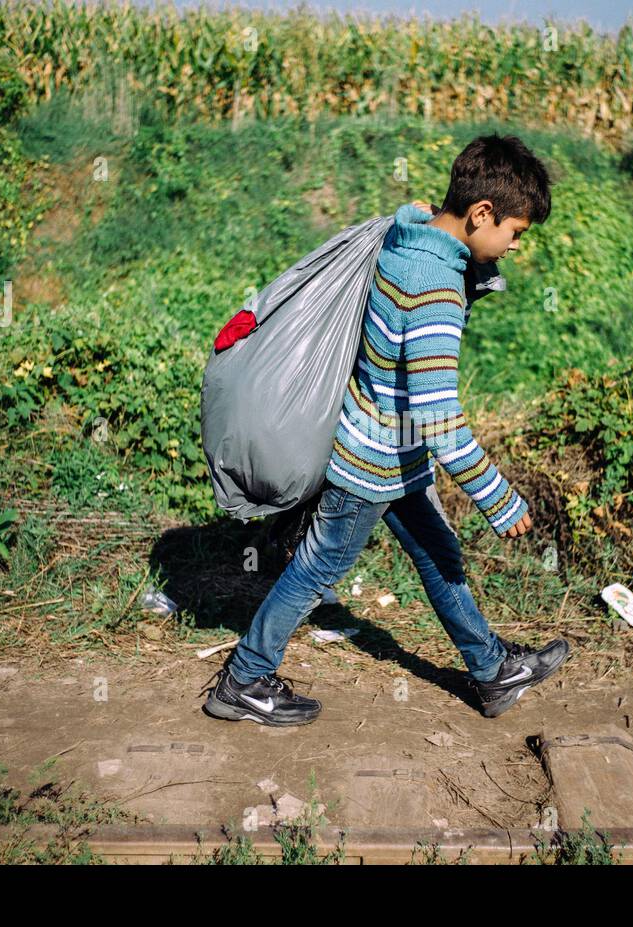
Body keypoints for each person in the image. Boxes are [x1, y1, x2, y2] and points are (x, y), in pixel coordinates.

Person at [205, 134, 569, 726]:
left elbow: (421, 223)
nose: (514, 246)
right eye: (515, 232)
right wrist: (497, 498)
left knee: (437, 553)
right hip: (372, 465)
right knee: (316, 568)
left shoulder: (407, 238)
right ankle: (243, 680)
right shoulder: (436, 290)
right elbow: (438, 417)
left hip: (393, 454)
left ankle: (491, 669)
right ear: (481, 214)